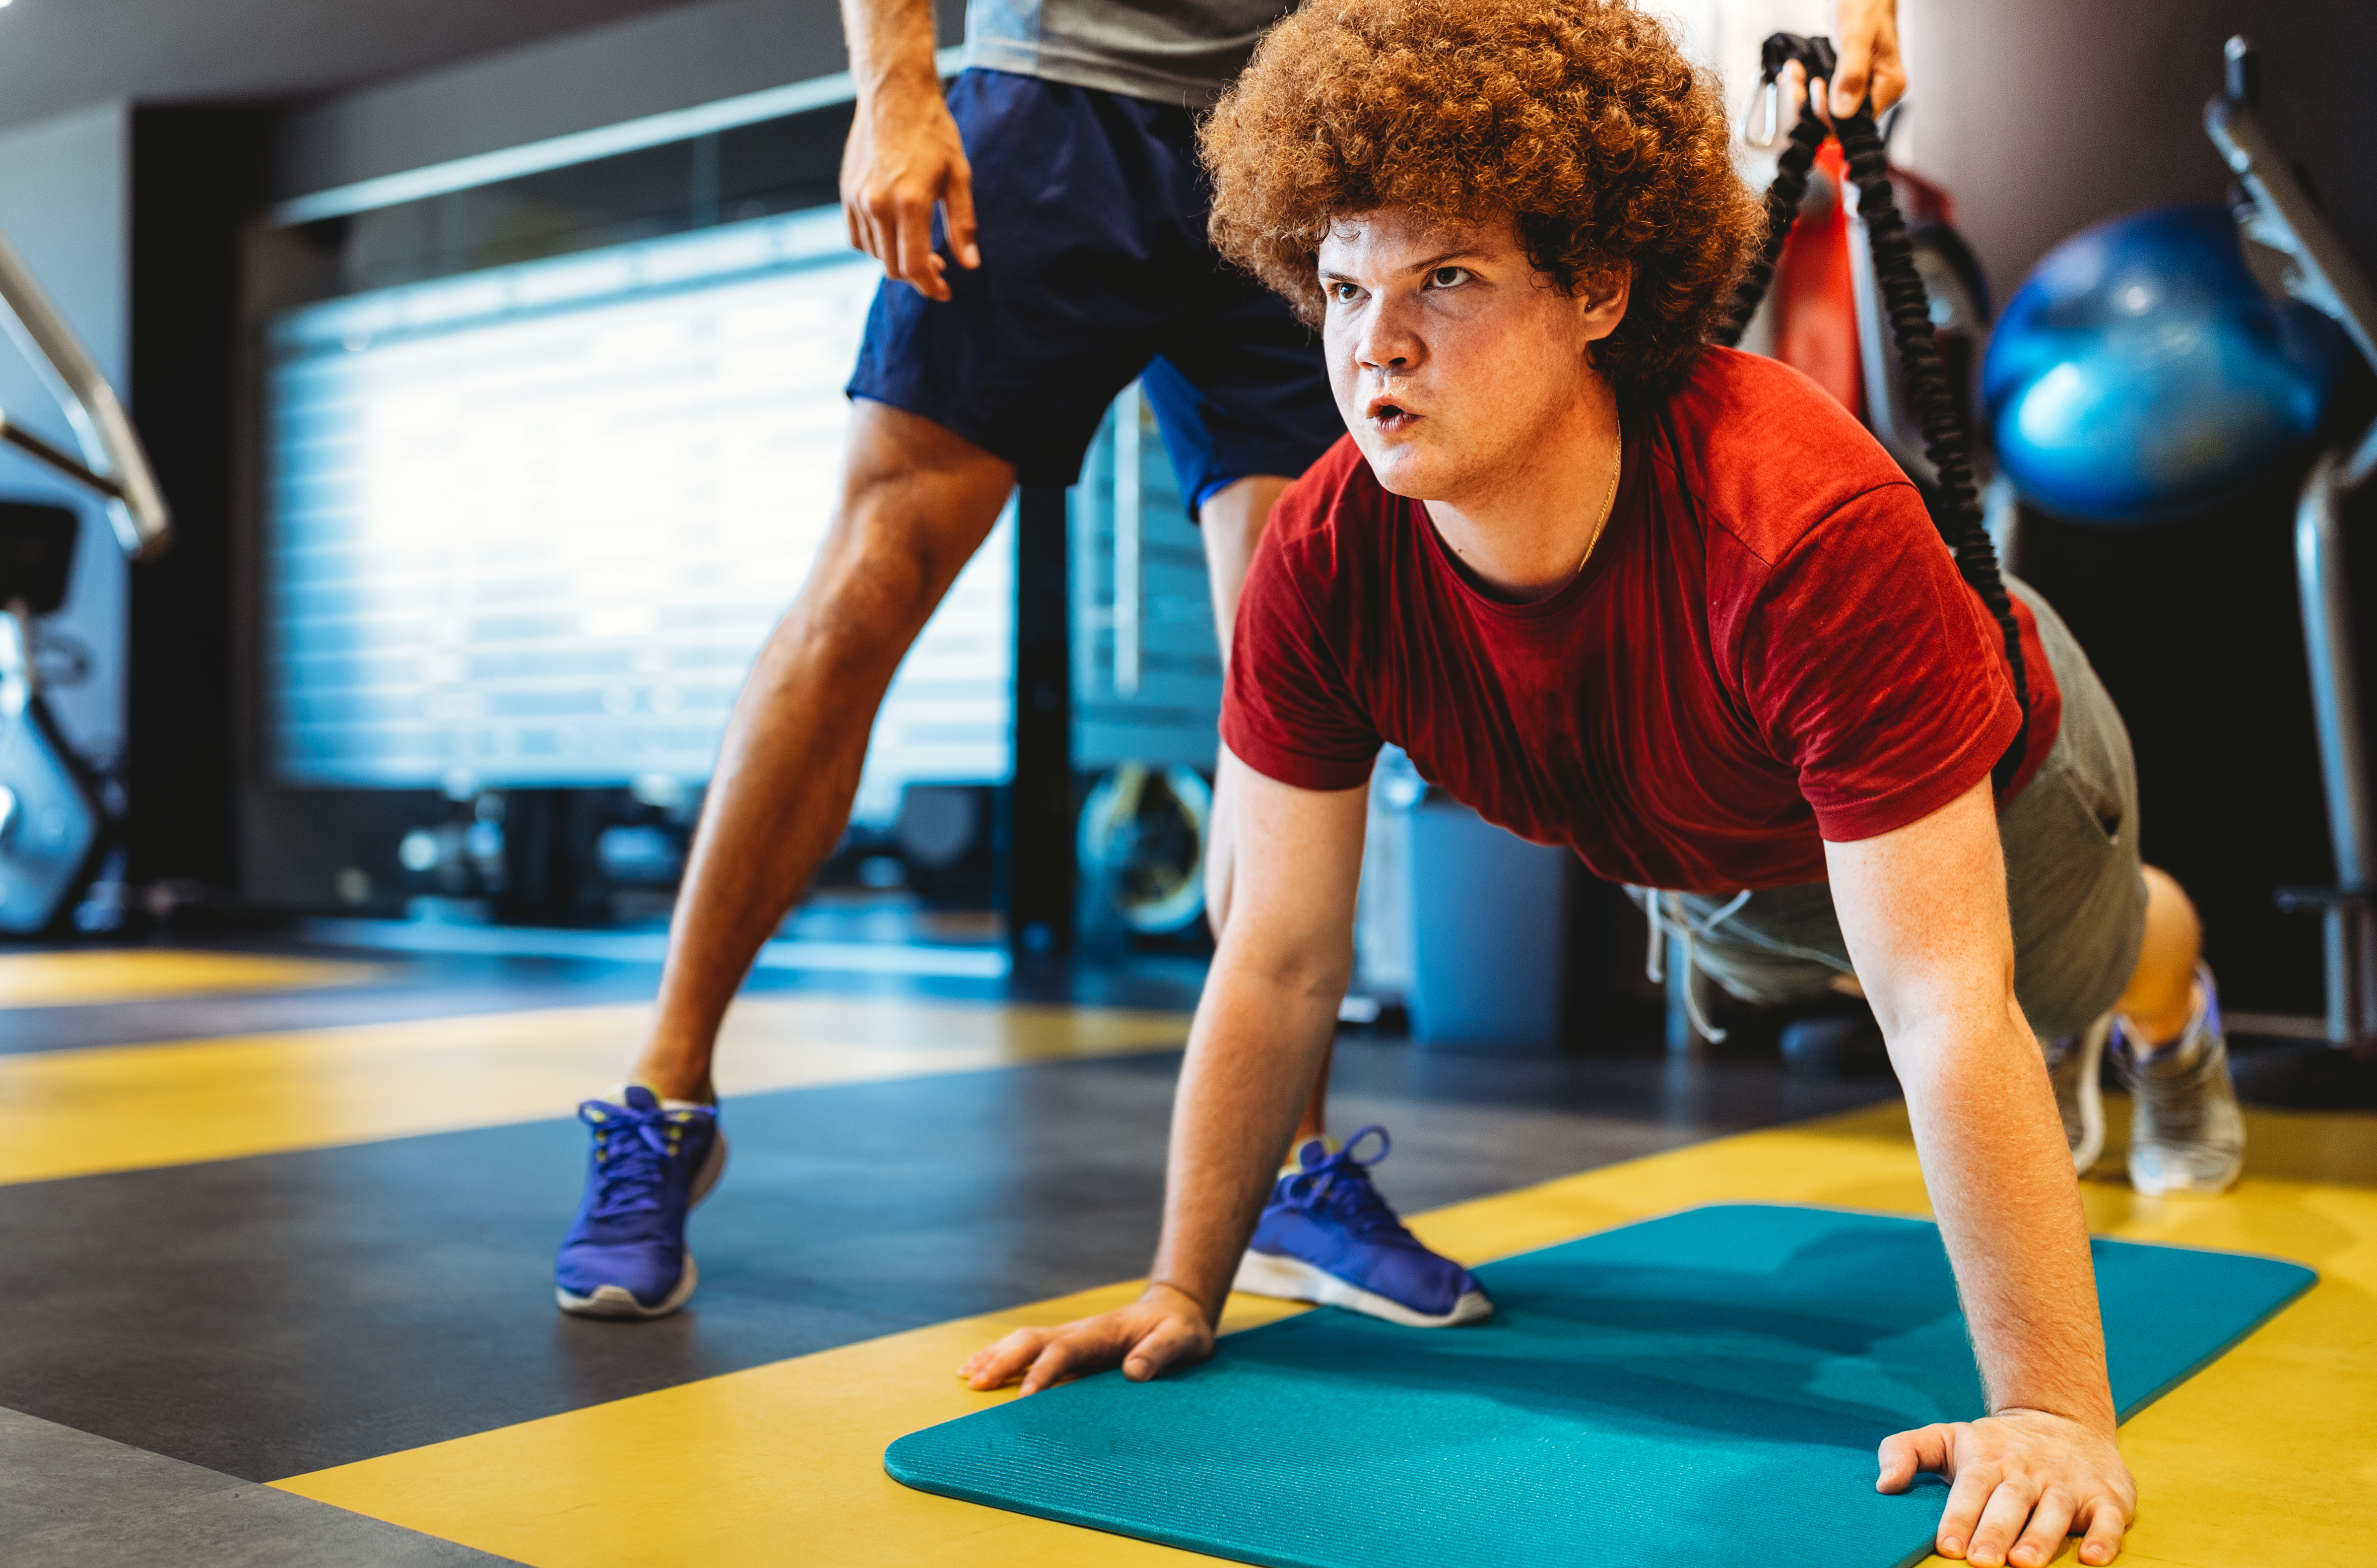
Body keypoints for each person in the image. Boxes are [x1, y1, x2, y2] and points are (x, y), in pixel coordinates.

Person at [959, 0, 2249, 1568]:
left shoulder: (1797, 529)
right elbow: (1283, 950)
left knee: (2077, 978)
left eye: (1447, 277)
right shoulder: (1321, 555)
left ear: (1595, 287)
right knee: (1892, 979)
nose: (1376, 342)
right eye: (1348, 285)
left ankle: (2173, 1026)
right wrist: (1182, 1285)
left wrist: (2049, 1411)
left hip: (2013, 783)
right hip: (1721, 860)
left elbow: (1939, 1004)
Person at [550, 0, 1913, 1327]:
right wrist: (895, 84)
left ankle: (1292, 1178)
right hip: (1066, 95)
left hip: (1318, 124)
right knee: (867, 590)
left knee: (1297, 625)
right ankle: (668, 1094)